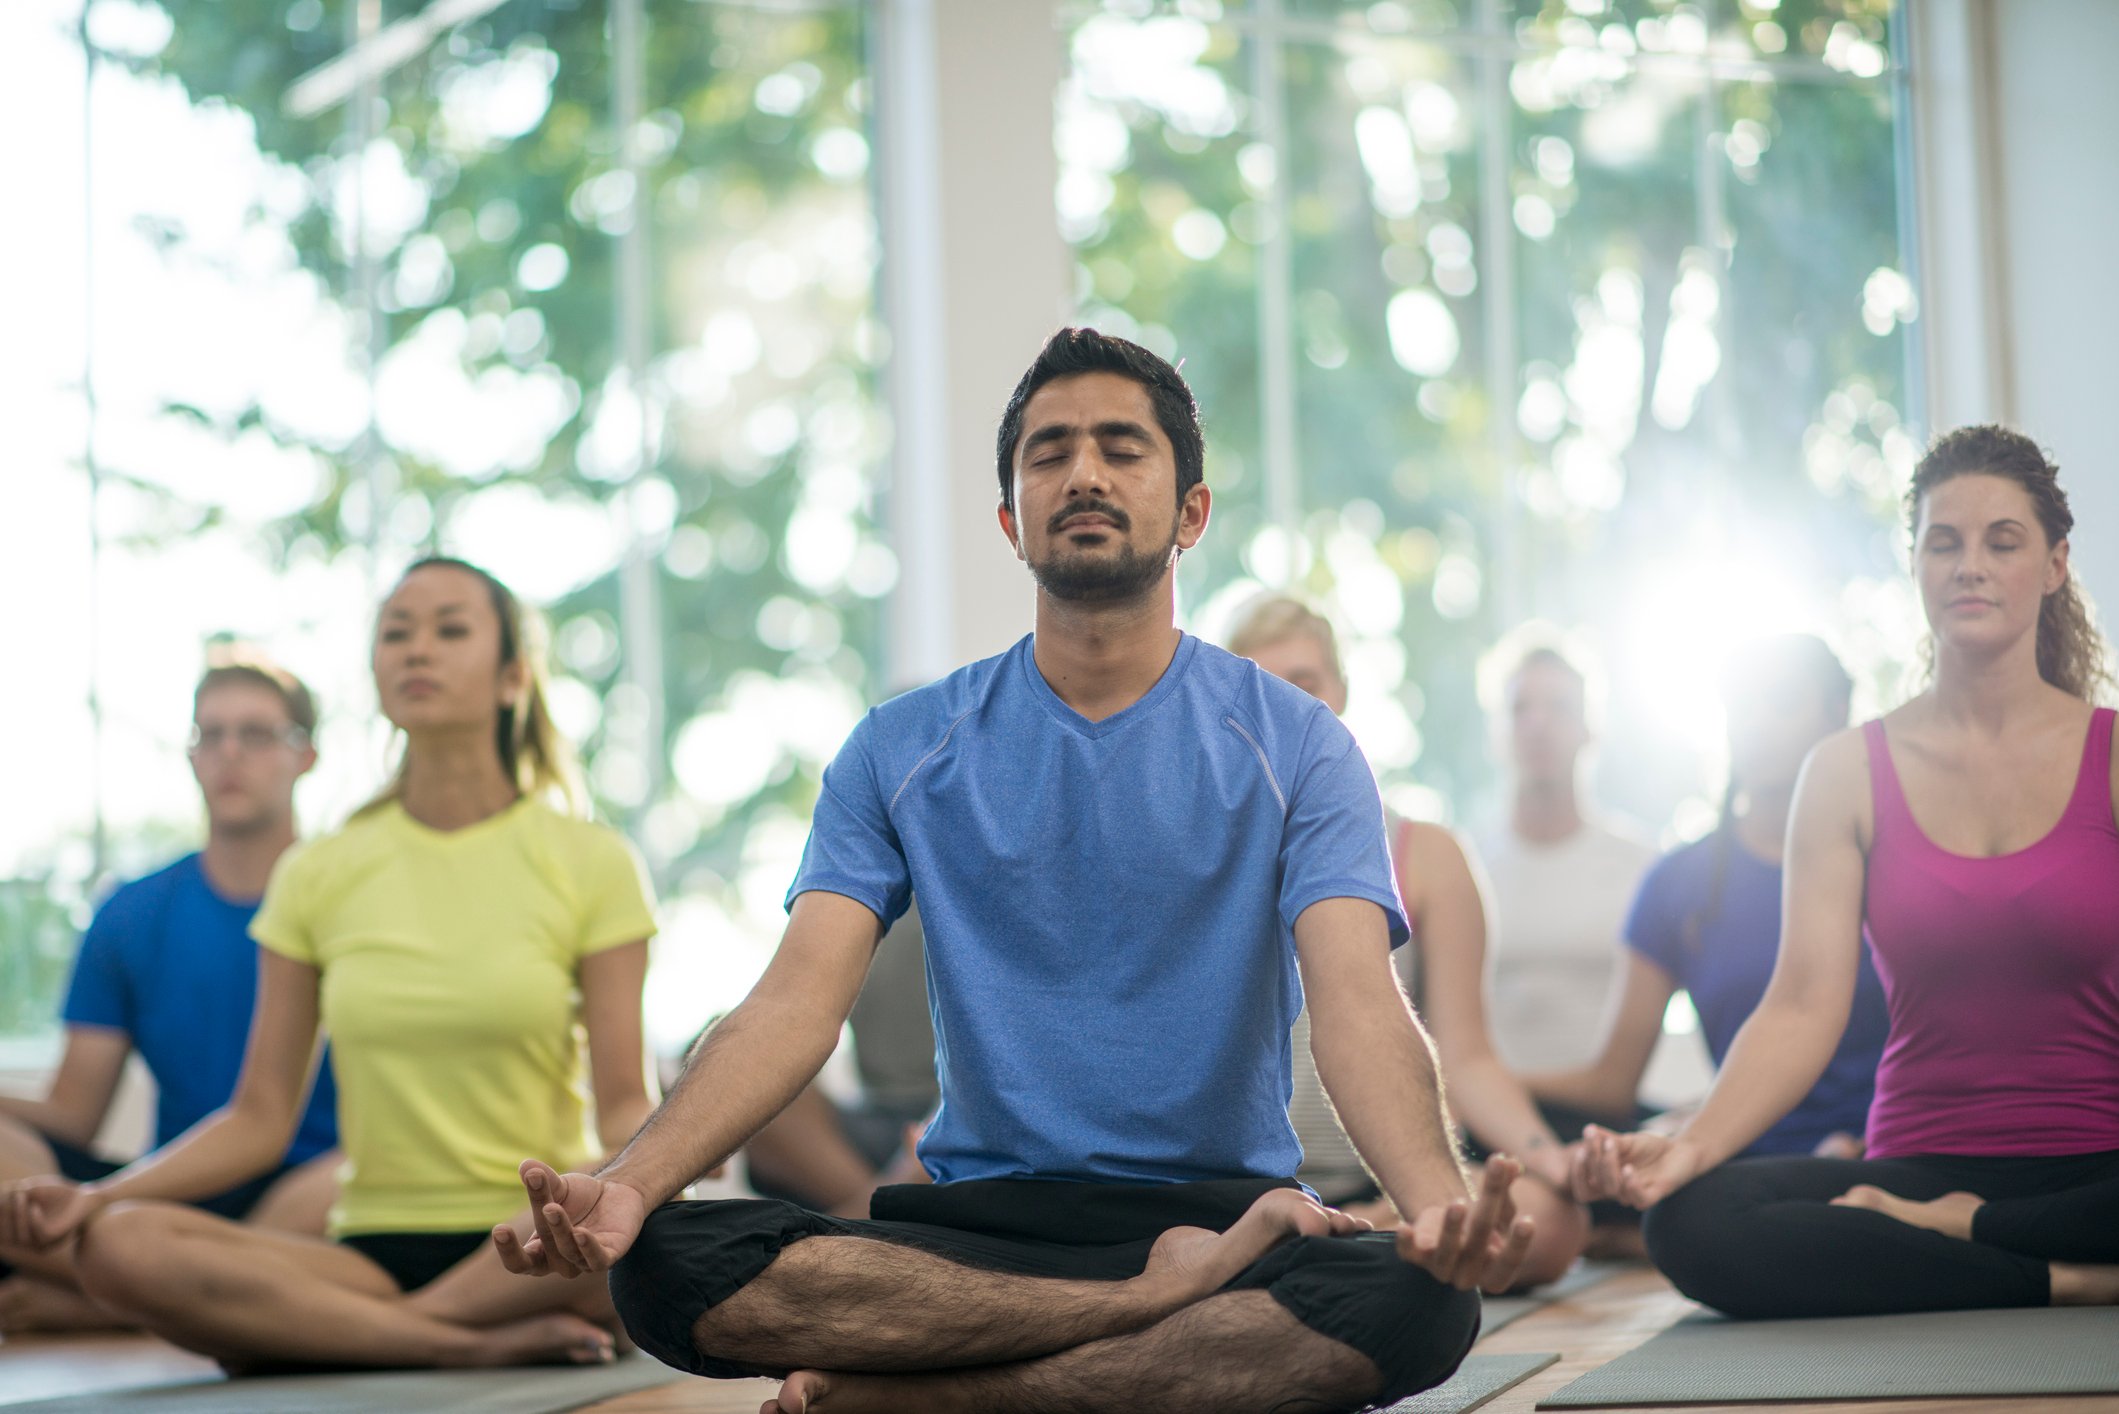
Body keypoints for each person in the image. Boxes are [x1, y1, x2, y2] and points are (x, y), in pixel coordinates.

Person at [496, 329, 1535, 1414]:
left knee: (1418, 1299)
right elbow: (794, 1004)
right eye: (1049, 454)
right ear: (1011, 520)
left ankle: (930, 1400)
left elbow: (1359, 1003)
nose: (1082, 473)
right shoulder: (901, 747)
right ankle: (1148, 1307)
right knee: (666, 1264)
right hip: (982, 1228)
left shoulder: (1301, 743)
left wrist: (1438, 1212)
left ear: (1191, 513)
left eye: (1120, 448)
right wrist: (629, 1186)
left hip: (1220, 1211)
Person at [0, 557, 660, 1368]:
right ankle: (457, 1345)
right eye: (396, 633)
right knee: (120, 1244)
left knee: (647, 1220)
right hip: (364, 1249)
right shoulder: (317, 872)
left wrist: (654, 1170)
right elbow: (257, 1119)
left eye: (451, 630)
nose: (418, 650)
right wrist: (97, 1197)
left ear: (513, 676)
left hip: (529, 1240)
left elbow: (624, 1103)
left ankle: (350, 1332)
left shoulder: (593, 860)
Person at [1575, 426, 2119, 1317]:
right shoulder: (1843, 772)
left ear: (2054, 565)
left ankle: (1964, 1235)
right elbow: (1800, 1007)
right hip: (1912, 1169)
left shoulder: (2110, 755)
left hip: (2095, 1165)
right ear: (1913, 564)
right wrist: (1693, 1145)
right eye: (1942, 543)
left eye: (2001, 542)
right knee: (1691, 1220)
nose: (1969, 566)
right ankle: (2062, 1277)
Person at [1227, 594, 1589, 1286]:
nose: (1287, 707)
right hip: (1250, 1184)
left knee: (1549, 1220)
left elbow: (1466, 1057)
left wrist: (1549, 1157)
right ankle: (1332, 1237)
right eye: (1264, 689)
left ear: (1339, 692)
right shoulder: (1199, 856)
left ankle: (1354, 1230)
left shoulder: (1426, 854)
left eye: (1304, 683)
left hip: (1391, 1180)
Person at [0, 662, 340, 1333]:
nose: (230, 753)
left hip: (309, 1197)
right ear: (190, 755)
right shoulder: (131, 913)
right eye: (210, 735)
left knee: (362, 1182)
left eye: (255, 734)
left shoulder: (352, 895)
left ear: (305, 755)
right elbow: (74, 1113)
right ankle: (182, 1292)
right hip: (169, 1191)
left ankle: (130, 1294)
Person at [1527, 635, 1890, 1161]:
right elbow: (1611, 1085)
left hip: (1883, 1149)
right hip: (1737, 1161)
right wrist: (1469, 1078)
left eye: (1783, 703)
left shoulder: (1893, 859)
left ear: (1837, 714)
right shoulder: (1679, 882)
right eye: (1742, 706)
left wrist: (1865, 1145)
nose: (1757, 723)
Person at [1474, 637, 1656, 1082]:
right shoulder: (1466, 864)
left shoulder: (1640, 865)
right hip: (1483, 1113)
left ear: (1591, 728)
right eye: (1520, 709)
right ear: (1498, 732)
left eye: (1560, 707)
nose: (1538, 724)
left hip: (1610, 1114)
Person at [740, 902, 937, 1218]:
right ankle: (882, 1218)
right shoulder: (851, 894)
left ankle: (871, 1221)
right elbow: (794, 1017)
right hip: (878, 1121)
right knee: (743, 1063)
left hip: (965, 1111)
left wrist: (945, 1128)